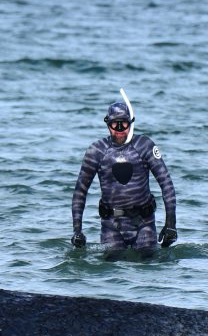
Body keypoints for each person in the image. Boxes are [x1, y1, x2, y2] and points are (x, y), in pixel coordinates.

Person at [71, 96, 177, 255]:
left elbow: (166, 184)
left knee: (148, 264)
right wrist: (77, 231)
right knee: (111, 270)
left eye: (124, 124)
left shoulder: (144, 146)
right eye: (115, 124)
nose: (119, 129)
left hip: (144, 223)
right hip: (111, 225)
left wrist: (171, 224)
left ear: (131, 123)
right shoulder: (97, 151)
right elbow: (80, 192)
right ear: (108, 124)